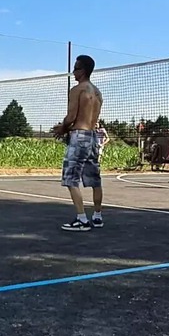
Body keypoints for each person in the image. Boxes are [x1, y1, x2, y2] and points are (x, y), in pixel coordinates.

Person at [52, 54, 104, 231]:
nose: (73, 72)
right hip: (92, 136)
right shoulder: (97, 93)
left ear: (83, 71)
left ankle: (82, 219)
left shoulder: (78, 89)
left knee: (70, 178)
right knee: (95, 179)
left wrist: (63, 128)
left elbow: (72, 116)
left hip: (79, 137)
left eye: (75, 68)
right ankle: (97, 216)